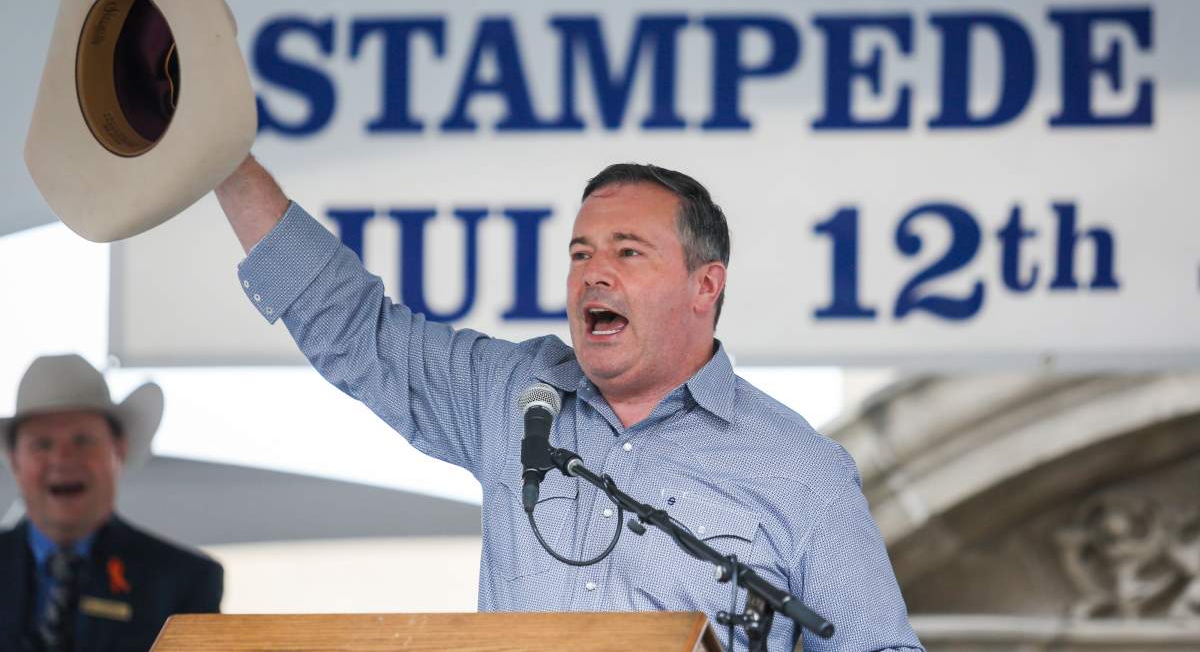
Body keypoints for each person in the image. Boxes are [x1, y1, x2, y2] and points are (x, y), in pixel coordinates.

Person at [216, 156, 923, 652]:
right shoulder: (514, 394)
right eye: (580, 254)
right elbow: (354, 326)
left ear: (704, 286)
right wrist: (221, 161)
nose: (594, 275)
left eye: (627, 252)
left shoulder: (803, 471)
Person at [0, 354, 223, 652]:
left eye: (83, 440)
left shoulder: (183, 581)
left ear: (118, 450)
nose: (63, 458)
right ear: (14, 460)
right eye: (42, 444)